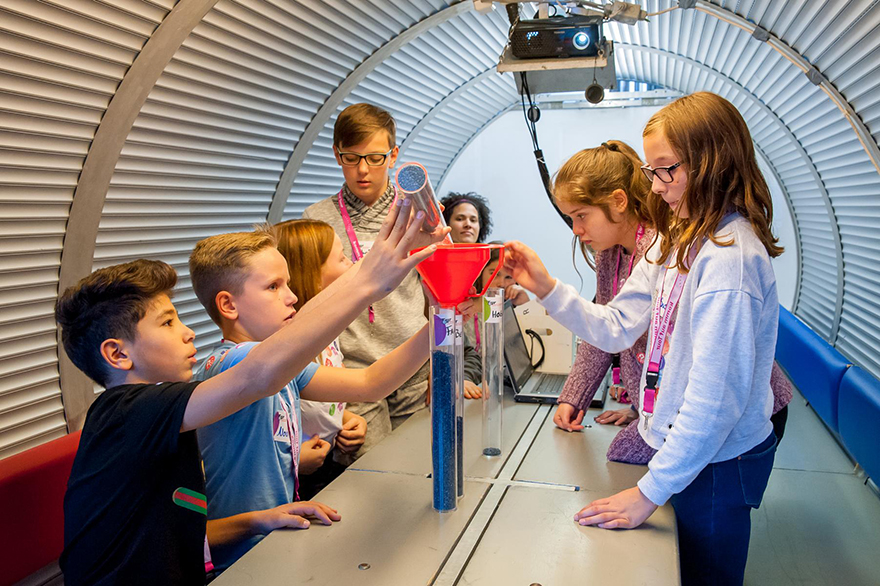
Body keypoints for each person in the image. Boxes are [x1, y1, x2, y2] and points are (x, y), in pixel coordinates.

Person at [55, 198, 437, 585]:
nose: (188, 332)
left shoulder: (158, 415)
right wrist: (367, 281)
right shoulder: (125, 411)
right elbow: (259, 373)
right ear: (117, 354)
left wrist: (255, 520)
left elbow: (178, 533)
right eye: (168, 323)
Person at [498, 92, 784, 585]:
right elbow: (615, 327)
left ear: (711, 162)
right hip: (689, 448)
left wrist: (649, 492)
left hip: (719, 459)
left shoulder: (729, 261)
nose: (654, 184)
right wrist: (543, 285)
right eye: (650, 171)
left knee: (705, 572)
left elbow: (716, 400)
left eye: (664, 169)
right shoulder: (681, 240)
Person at [190, 217, 444, 570]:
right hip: (238, 558)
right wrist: (370, 283)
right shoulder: (236, 362)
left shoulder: (280, 368)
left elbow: (373, 383)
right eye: (273, 287)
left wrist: (442, 321)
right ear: (228, 305)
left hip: (274, 542)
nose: (292, 297)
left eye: (288, 284)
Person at [549, 142, 792, 465]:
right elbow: (609, 326)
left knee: (626, 461)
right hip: (687, 412)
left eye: (581, 216)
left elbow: (684, 354)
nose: (577, 230)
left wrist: (649, 420)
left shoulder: (664, 247)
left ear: (618, 202)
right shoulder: (612, 253)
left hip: (736, 416)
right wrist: (579, 397)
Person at [302, 103, 428, 463]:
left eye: (375, 158)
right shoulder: (318, 220)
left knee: (418, 469)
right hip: (353, 373)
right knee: (373, 476)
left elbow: (438, 296)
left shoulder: (417, 213)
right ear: (336, 155)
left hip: (413, 366)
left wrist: (441, 363)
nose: (362, 170)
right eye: (351, 158)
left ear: (394, 155)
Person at [272, 218, 369, 498]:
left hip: (322, 468)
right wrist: (292, 463)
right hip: (292, 487)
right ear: (313, 275)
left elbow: (317, 402)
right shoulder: (285, 350)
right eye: (341, 259)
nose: (351, 265)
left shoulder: (327, 333)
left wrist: (348, 419)